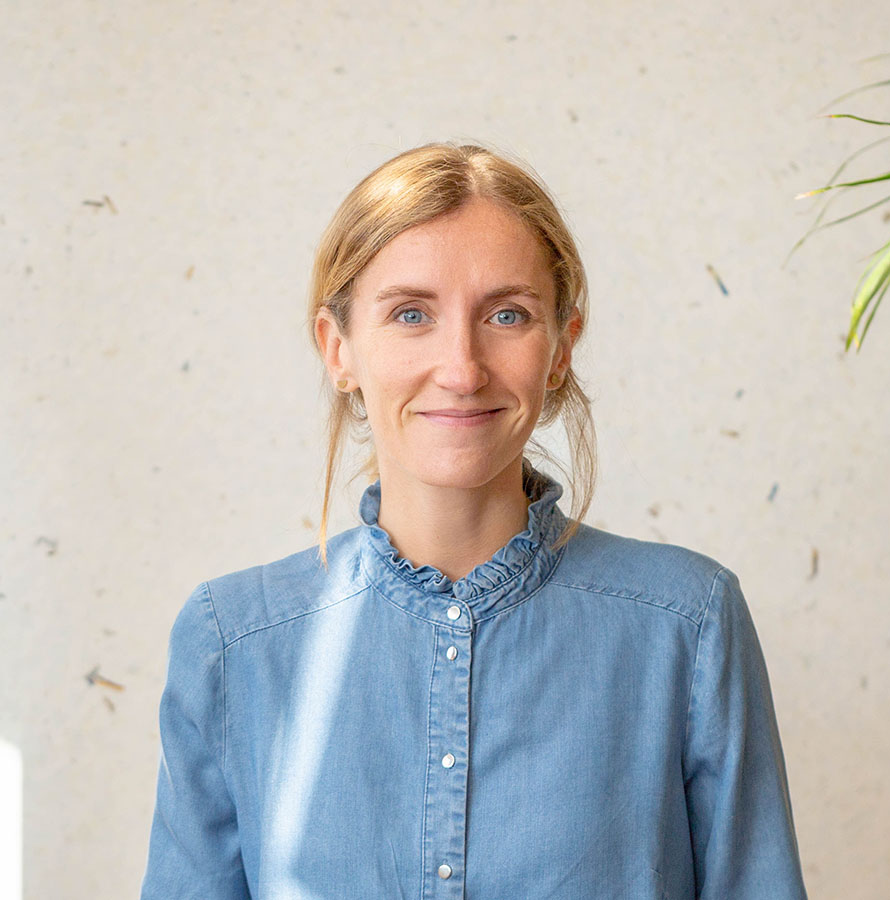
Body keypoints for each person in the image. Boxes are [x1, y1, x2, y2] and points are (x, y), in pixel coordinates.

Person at [140, 142, 808, 899]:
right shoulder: (230, 642)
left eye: (507, 314)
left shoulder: (689, 623)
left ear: (561, 347)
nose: (461, 369)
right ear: (338, 348)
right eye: (411, 314)